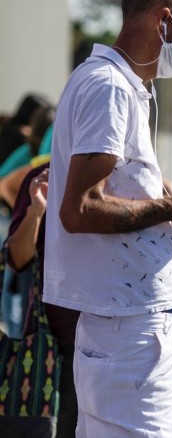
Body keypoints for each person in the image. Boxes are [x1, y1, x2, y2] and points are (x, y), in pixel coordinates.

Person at [43, 0, 172, 437]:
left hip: (122, 326)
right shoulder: (110, 86)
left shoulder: (121, 85)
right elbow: (80, 209)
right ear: (165, 20)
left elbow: (122, 183)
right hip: (129, 330)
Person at [4, 164, 81, 438]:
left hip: (120, 340)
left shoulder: (132, 174)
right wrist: (36, 210)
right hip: (53, 343)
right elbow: (17, 259)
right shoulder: (44, 177)